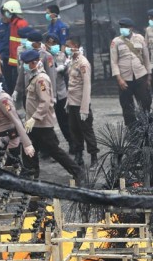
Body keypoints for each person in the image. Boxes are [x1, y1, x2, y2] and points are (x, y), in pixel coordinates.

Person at [19, 50, 84, 183]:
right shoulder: (34, 75)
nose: (24, 66)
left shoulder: (41, 79)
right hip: (34, 123)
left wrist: (34, 118)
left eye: (25, 64)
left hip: (42, 123)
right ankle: (31, 173)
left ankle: (77, 171)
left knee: (54, 150)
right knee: (28, 147)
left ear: (33, 63)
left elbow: (45, 102)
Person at [110, 17, 152, 126]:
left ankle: (145, 126)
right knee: (127, 106)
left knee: (145, 102)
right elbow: (113, 62)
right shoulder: (116, 42)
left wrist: (149, 76)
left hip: (140, 75)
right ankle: (132, 129)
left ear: (131, 28)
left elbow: (146, 58)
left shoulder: (140, 38)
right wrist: (119, 79)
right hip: (124, 78)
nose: (123, 29)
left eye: (125, 27)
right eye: (121, 27)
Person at [66, 37, 99, 167]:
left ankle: (94, 157)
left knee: (87, 131)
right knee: (74, 130)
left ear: (75, 45)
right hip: (72, 102)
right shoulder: (72, 61)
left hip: (81, 103)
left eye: (68, 45)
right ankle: (79, 156)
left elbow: (87, 85)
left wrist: (84, 108)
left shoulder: (83, 63)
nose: (66, 48)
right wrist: (68, 102)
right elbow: (71, 84)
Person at [45, 33, 74, 158]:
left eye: (55, 43)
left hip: (61, 93)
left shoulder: (61, 56)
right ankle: (48, 149)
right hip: (47, 95)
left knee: (64, 121)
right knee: (47, 123)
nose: (52, 45)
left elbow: (69, 72)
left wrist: (64, 69)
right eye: (50, 43)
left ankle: (72, 143)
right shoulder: (43, 56)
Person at [2, 0, 29, 93]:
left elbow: (24, 44)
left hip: (20, 60)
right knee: (13, 83)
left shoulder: (21, 24)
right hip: (13, 60)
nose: (5, 14)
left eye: (6, 12)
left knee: (19, 84)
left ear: (11, 12)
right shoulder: (13, 24)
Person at [0, 7, 14, 93]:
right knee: (6, 77)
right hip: (4, 57)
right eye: (7, 13)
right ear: (2, 14)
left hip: (14, 56)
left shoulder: (14, 25)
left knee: (15, 77)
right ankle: (8, 94)